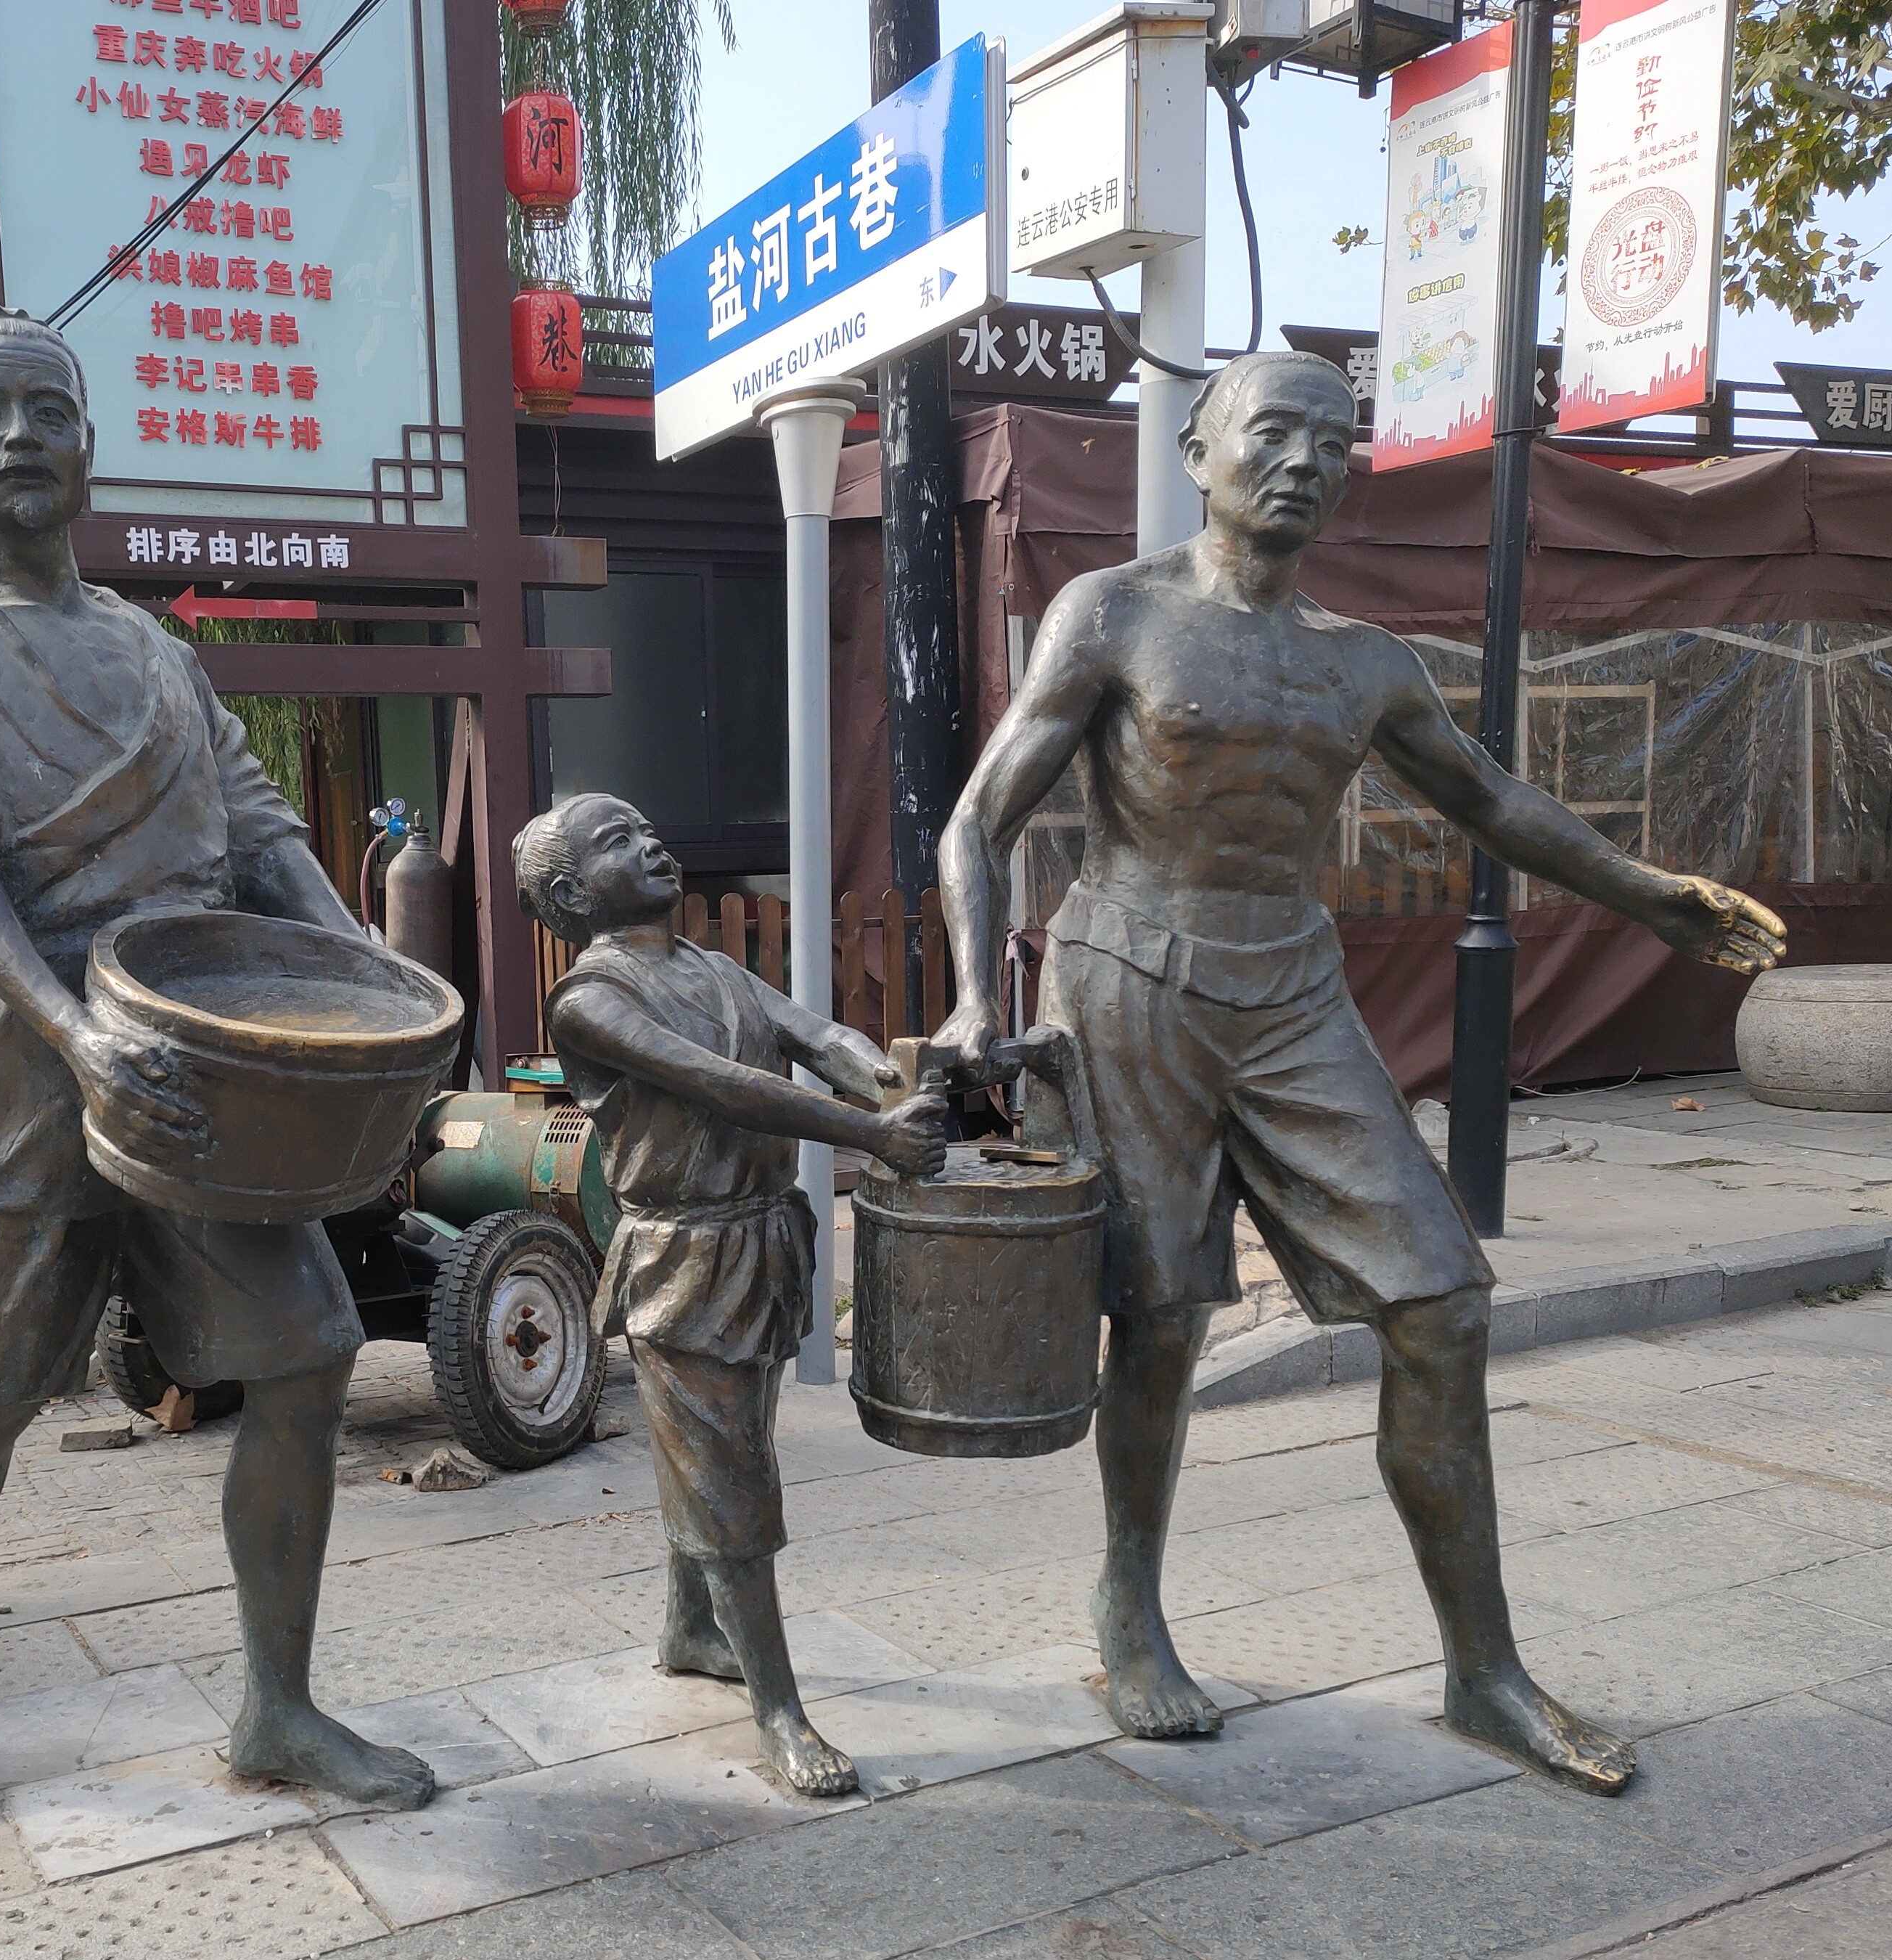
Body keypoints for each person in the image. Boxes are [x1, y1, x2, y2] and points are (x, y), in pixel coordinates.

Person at [929, 352, 1786, 1792]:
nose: (1306, 464)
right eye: (1273, 433)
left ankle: (1483, 1673)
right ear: (1200, 449)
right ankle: (1128, 1607)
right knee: (1157, 1316)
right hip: (1131, 977)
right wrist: (965, 999)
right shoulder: (1113, 613)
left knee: (1439, 1299)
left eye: (1335, 444)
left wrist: (1645, 892)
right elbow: (977, 820)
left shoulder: (1360, 658)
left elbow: (1487, 797)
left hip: (1289, 991)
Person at [0, 308, 432, 1839]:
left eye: (49, 409)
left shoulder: (153, 647)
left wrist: (369, 982)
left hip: (209, 1044)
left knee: (305, 1353)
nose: (20, 436)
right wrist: (76, 1031)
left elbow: (259, 832)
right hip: (17, 1050)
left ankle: (277, 1704)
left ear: (91, 443)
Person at [518, 794, 947, 1795]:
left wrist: (882, 1076)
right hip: (684, 1258)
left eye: (646, 826)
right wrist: (870, 1138)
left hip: (762, 1245)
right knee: (732, 1487)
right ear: (574, 894)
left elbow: (811, 1035)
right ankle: (781, 1712)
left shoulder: (711, 968)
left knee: (722, 1453)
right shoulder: (589, 1000)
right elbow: (722, 1086)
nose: (653, 842)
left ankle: (690, 1630)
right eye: (618, 840)